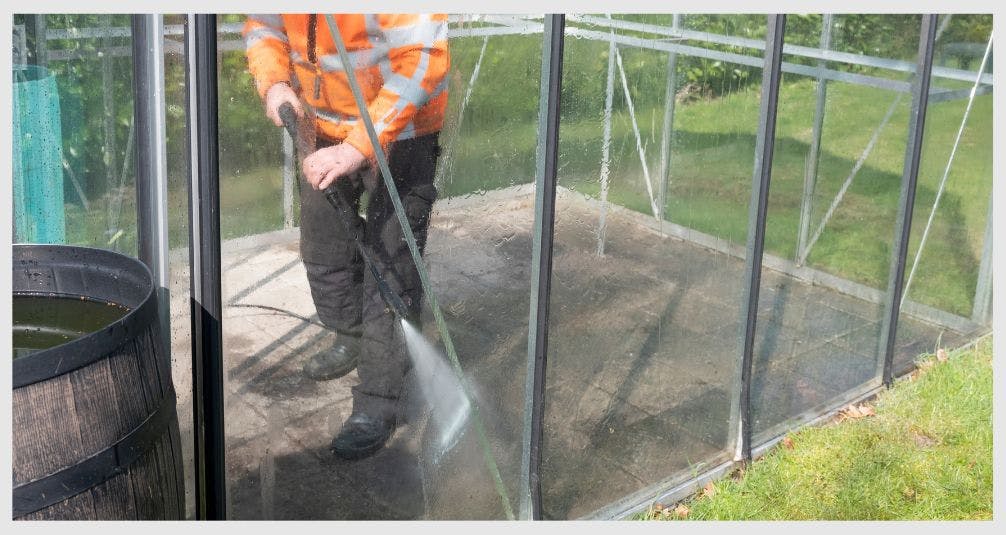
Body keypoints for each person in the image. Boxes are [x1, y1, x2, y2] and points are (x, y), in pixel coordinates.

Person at [243, 13, 449, 460]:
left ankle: (378, 399)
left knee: (390, 274)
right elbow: (263, 26)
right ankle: (351, 336)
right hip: (322, 128)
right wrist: (275, 81)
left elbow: (423, 59)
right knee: (324, 253)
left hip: (402, 132)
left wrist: (359, 146)